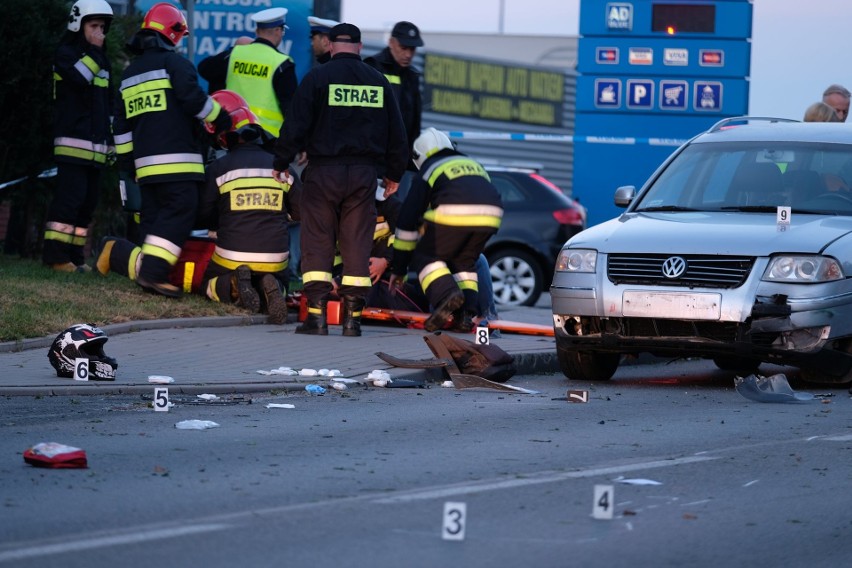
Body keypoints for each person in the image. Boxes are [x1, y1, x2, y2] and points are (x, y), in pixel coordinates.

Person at [272, 23, 408, 337]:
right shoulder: (378, 81)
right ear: (359, 47)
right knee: (357, 243)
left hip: (323, 172)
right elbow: (397, 133)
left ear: (331, 46)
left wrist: (281, 161)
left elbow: (295, 124)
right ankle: (352, 321)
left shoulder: (318, 78)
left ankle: (317, 319)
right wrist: (393, 175)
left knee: (317, 240)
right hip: (364, 175)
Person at [108, 2, 230, 297]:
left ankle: (148, 275)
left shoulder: (129, 74)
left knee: (153, 218)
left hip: (145, 169)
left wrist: (128, 166)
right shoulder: (175, 64)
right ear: (172, 33)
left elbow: (121, 128)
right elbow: (194, 101)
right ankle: (152, 273)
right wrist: (221, 117)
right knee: (180, 212)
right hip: (178, 163)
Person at [389, 128, 503, 332]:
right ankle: (465, 315)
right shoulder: (470, 163)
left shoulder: (430, 168)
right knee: (464, 261)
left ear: (420, 157)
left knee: (425, 256)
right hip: (492, 214)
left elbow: (407, 220)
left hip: (455, 211)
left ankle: (447, 295)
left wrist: (399, 268)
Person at [195, 90, 294, 324]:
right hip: (275, 257)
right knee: (283, 282)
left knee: (204, 285)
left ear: (223, 137)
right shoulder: (281, 166)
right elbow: (301, 210)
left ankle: (231, 285)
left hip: (231, 255)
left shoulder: (219, 168)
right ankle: (272, 284)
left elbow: (202, 214)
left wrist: (226, 217)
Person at [42, 0, 114, 273]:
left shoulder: (101, 59)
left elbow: (109, 104)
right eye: (94, 26)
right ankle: (56, 258)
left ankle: (75, 258)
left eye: (102, 27)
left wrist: (111, 142)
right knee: (68, 204)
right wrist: (95, 53)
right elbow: (79, 78)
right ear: (78, 24)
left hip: (97, 148)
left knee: (86, 207)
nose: (99, 33)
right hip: (73, 144)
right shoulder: (66, 53)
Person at [198, 7, 297, 139]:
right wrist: (297, 142)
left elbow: (204, 68)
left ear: (257, 31)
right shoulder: (282, 63)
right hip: (268, 139)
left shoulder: (234, 55)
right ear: (278, 31)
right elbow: (291, 108)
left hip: (233, 133)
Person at [364, 21, 424, 200]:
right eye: (404, 47)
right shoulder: (373, 68)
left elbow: (414, 124)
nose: (408, 54)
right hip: (374, 163)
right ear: (391, 43)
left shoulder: (411, 76)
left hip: (400, 166)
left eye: (412, 49)